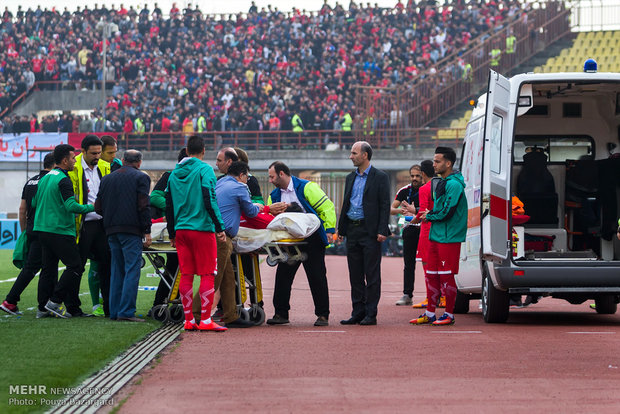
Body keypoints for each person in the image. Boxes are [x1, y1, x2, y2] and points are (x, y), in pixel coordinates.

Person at [165, 135, 228, 332]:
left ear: (186, 150)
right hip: (202, 229)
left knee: (187, 275)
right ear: (203, 151)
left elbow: (169, 204)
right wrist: (219, 226)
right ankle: (206, 320)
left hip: (181, 230)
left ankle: (189, 320)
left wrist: (172, 232)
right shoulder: (205, 170)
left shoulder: (174, 173)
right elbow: (209, 199)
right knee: (208, 274)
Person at [266, 161, 336, 326]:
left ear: (282, 174)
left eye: (272, 176)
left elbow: (326, 207)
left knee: (317, 276)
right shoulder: (274, 196)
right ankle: (280, 314)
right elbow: (271, 218)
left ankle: (323, 315)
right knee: (283, 277)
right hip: (289, 242)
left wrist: (329, 229)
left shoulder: (307, 187)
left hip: (312, 239)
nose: (270, 180)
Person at [33, 144, 95, 318]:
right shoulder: (63, 179)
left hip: (42, 229)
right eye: (73, 158)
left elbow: (33, 203)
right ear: (65, 160)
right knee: (75, 266)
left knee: (48, 269)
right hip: (59, 229)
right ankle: (55, 301)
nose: (75, 161)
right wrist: (94, 207)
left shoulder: (45, 177)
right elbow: (70, 206)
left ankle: (42, 308)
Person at [411, 147, 467, 326]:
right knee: (432, 275)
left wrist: (429, 215)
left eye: (437, 161)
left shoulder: (454, 184)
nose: (433, 164)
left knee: (446, 276)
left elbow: (448, 211)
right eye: (434, 161)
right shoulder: (441, 182)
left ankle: (449, 314)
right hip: (436, 236)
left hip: (449, 238)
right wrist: (430, 214)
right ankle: (430, 313)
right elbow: (439, 209)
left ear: (448, 163)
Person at [95, 150, 152, 322]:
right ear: (139, 162)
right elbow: (143, 206)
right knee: (132, 270)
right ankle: (126, 312)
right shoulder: (141, 177)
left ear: (122, 160)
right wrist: (147, 230)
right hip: (131, 230)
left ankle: (114, 311)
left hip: (111, 229)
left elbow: (98, 207)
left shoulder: (107, 178)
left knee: (117, 270)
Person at [338, 141, 390, 326]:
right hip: (352, 229)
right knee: (355, 274)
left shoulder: (380, 177)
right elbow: (346, 203)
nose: (350, 156)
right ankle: (357, 312)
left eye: (354, 153)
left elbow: (385, 205)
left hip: (370, 232)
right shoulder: (350, 177)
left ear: (365, 155)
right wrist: (341, 229)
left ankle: (371, 313)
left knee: (372, 274)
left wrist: (383, 230)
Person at [1, 153, 54, 317]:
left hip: (31, 229)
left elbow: (22, 209)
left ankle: (45, 303)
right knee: (39, 267)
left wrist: (24, 231)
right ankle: (11, 301)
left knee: (40, 266)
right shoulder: (52, 180)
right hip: (45, 229)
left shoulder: (30, 181)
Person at [214, 161, 264, 328]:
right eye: (246, 177)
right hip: (223, 237)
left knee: (228, 279)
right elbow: (250, 212)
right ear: (242, 175)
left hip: (216, 234)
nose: (247, 181)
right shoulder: (240, 187)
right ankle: (195, 314)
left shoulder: (220, 182)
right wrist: (260, 207)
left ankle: (231, 315)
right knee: (214, 278)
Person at [68, 135, 112, 317]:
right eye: (93, 153)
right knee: (77, 266)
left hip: (101, 224)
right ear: (83, 151)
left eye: (99, 153)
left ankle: (109, 305)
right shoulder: (73, 167)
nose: (97, 157)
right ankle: (73, 306)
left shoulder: (104, 166)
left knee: (106, 265)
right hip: (82, 225)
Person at [148, 148, 186, 314]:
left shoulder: (197, 176)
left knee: (179, 268)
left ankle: (171, 303)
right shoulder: (169, 176)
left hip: (184, 227)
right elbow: (155, 197)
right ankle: (161, 303)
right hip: (175, 228)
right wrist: (175, 210)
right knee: (174, 266)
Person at [391, 165, 423, 306]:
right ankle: (407, 295)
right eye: (412, 176)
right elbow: (391, 209)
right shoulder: (404, 191)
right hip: (409, 229)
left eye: (417, 176)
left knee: (430, 263)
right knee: (408, 263)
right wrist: (401, 211)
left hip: (425, 229)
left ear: (423, 176)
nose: (414, 178)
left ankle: (436, 295)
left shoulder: (428, 190)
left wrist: (415, 211)